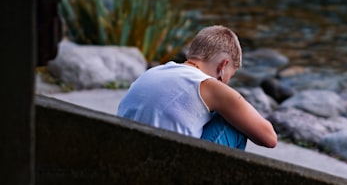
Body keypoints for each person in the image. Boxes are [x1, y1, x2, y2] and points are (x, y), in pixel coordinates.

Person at [117, 25, 278, 149]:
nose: (226, 83)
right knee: (233, 123)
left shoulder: (152, 73)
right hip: (168, 176)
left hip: (126, 163)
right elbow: (269, 138)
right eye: (229, 76)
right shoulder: (207, 85)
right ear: (223, 65)